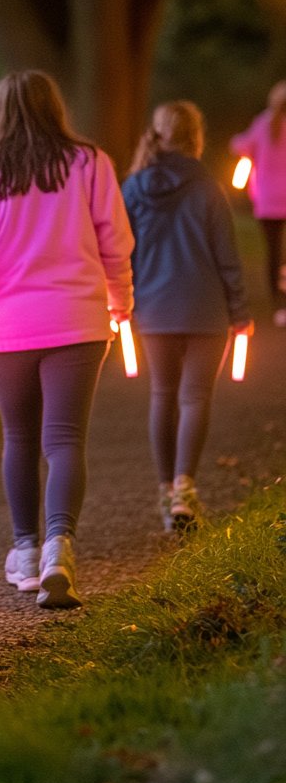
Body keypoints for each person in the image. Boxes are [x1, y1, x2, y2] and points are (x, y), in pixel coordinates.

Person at [0, 70, 133, 610]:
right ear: (55, 108)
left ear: (0, 114)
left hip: (5, 327)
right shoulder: (91, 163)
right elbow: (115, 240)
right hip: (80, 319)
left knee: (19, 437)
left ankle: (24, 550)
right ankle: (60, 547)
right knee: (65, 440)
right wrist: (121, 300)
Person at [122, 101, 252, 532]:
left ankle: (164, 490)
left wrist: (123, 300)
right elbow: (227, 257)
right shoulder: (208, 189)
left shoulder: (134, 188)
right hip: (205, 308)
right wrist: (240, 311)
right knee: (195, 398)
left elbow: (123, 252)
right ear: (197, 138)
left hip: (154, 309)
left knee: (163, 394)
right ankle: (184, 489)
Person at [229, 81, 286, 327]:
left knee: (273, 249)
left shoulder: (264, 123)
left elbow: (240, 146)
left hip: (267, 198)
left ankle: (277, 296)